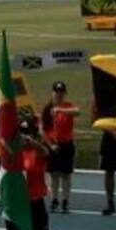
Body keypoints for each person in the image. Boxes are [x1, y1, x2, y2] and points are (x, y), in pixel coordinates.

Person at [13, 117, 52, 230]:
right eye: (22, 133)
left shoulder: (38, 151)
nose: (25, 137)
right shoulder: (13, 152)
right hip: (17, 204)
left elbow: (47, 152)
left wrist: (33, 143)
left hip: (35, 202)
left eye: (28, 133)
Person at [42, 81, 79, 214]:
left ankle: (65, 200)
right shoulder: (47, 109)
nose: (59, 95)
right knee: (53, 174)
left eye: (61, 92)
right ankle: (54, 199)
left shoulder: (68, 106)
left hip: (66, 144)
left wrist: (60, 109)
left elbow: (77, 112)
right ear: (52, 93)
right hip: (53, 145)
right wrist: (50, 145)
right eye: (56, 92)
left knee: (66, 174)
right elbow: (43, 130)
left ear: (64, 93)